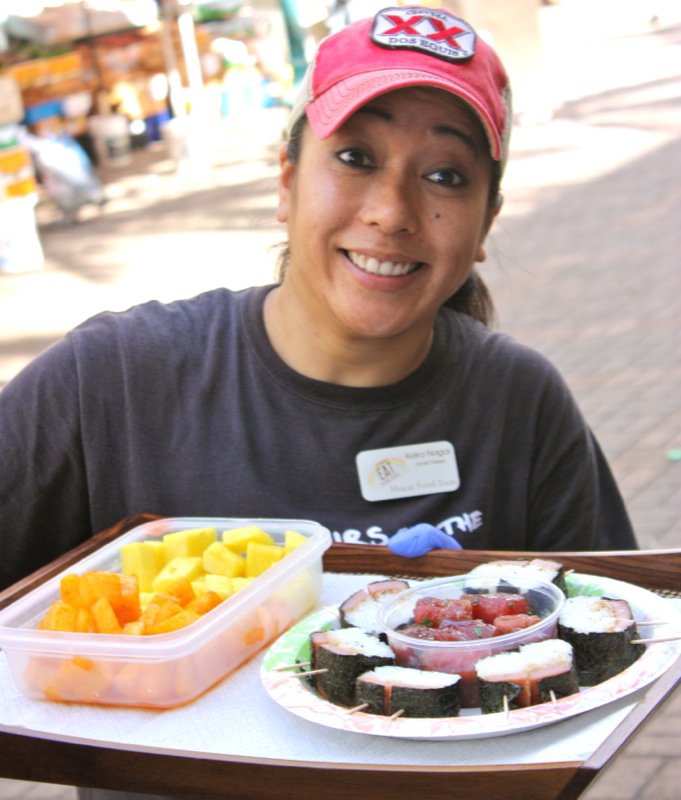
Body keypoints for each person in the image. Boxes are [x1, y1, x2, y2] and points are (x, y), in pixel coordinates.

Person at [0, 6, 637, 799]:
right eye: (355, 156)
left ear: (485, 224)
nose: (391, 211)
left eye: (445, 175)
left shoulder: (518, 400)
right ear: (286, 180)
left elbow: (603, 654)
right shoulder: (112, 380)